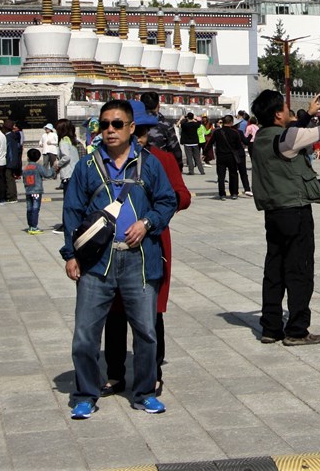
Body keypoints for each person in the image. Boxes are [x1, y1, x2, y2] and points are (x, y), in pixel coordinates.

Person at [59, 99, 177, 419]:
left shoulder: (149, 164)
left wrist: (147, 223)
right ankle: (85, 392)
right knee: (85, 334)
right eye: (104, 124)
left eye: (117, 124)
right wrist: (71, 255)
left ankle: (143, 392)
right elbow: (71, 213)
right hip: (97, 261)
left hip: (138, 260)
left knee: (146, 332)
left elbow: (168, 201)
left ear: (130, 128)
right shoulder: (86, 167)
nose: (110, 130)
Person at [102, 101, 191, 400]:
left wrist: (153, 215)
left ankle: (151, 374)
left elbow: (182, 196)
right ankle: (115, 373)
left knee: (150, 312)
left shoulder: (160, 159)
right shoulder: (99, 161)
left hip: (150, 243)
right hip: (111, 245)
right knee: (113, 311)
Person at [250, 91, 320, 346]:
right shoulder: (285, 137)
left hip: (273, 212)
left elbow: (290, 137)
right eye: (286, 108)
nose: (289, 110)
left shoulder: (262, 138)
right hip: (294, 210)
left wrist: (306, 115)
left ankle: (271, 327)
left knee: (274, 270)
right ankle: (297, 329)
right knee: (298, 270)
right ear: (278, 114)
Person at [141, 91, 184, 171]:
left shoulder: (134, 122)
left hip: (138, 167)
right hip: (159, 166)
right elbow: (175, 149)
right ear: (158, 105)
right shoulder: (165, 124)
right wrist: (178, 167)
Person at [211, 114, 249, 200]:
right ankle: (234, 193)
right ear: (231, 122)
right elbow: (239, 146)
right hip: (231, 157)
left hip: (220, 156)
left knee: (221, 176)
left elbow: (210, 143)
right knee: (233, 174)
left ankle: (222, 194)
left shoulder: (217, 132)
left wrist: (205, 153)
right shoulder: (235, 132)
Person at [22, 148, 55, 234]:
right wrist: (53, 169)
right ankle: (34, 227)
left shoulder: (26, 168)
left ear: (28, 157)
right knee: (35, 208)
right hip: (36, 191)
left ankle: (30, 226)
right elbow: (47, 174)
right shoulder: (38, 167)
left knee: (29, 208)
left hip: (28, 190)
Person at [4, 120, 23, 202]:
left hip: (9, 160)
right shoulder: (14, 136)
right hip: (14, 160)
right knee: (11, 178)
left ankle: (11, 196)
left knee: (9, 179)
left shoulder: (7, 137)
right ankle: (12, 195)